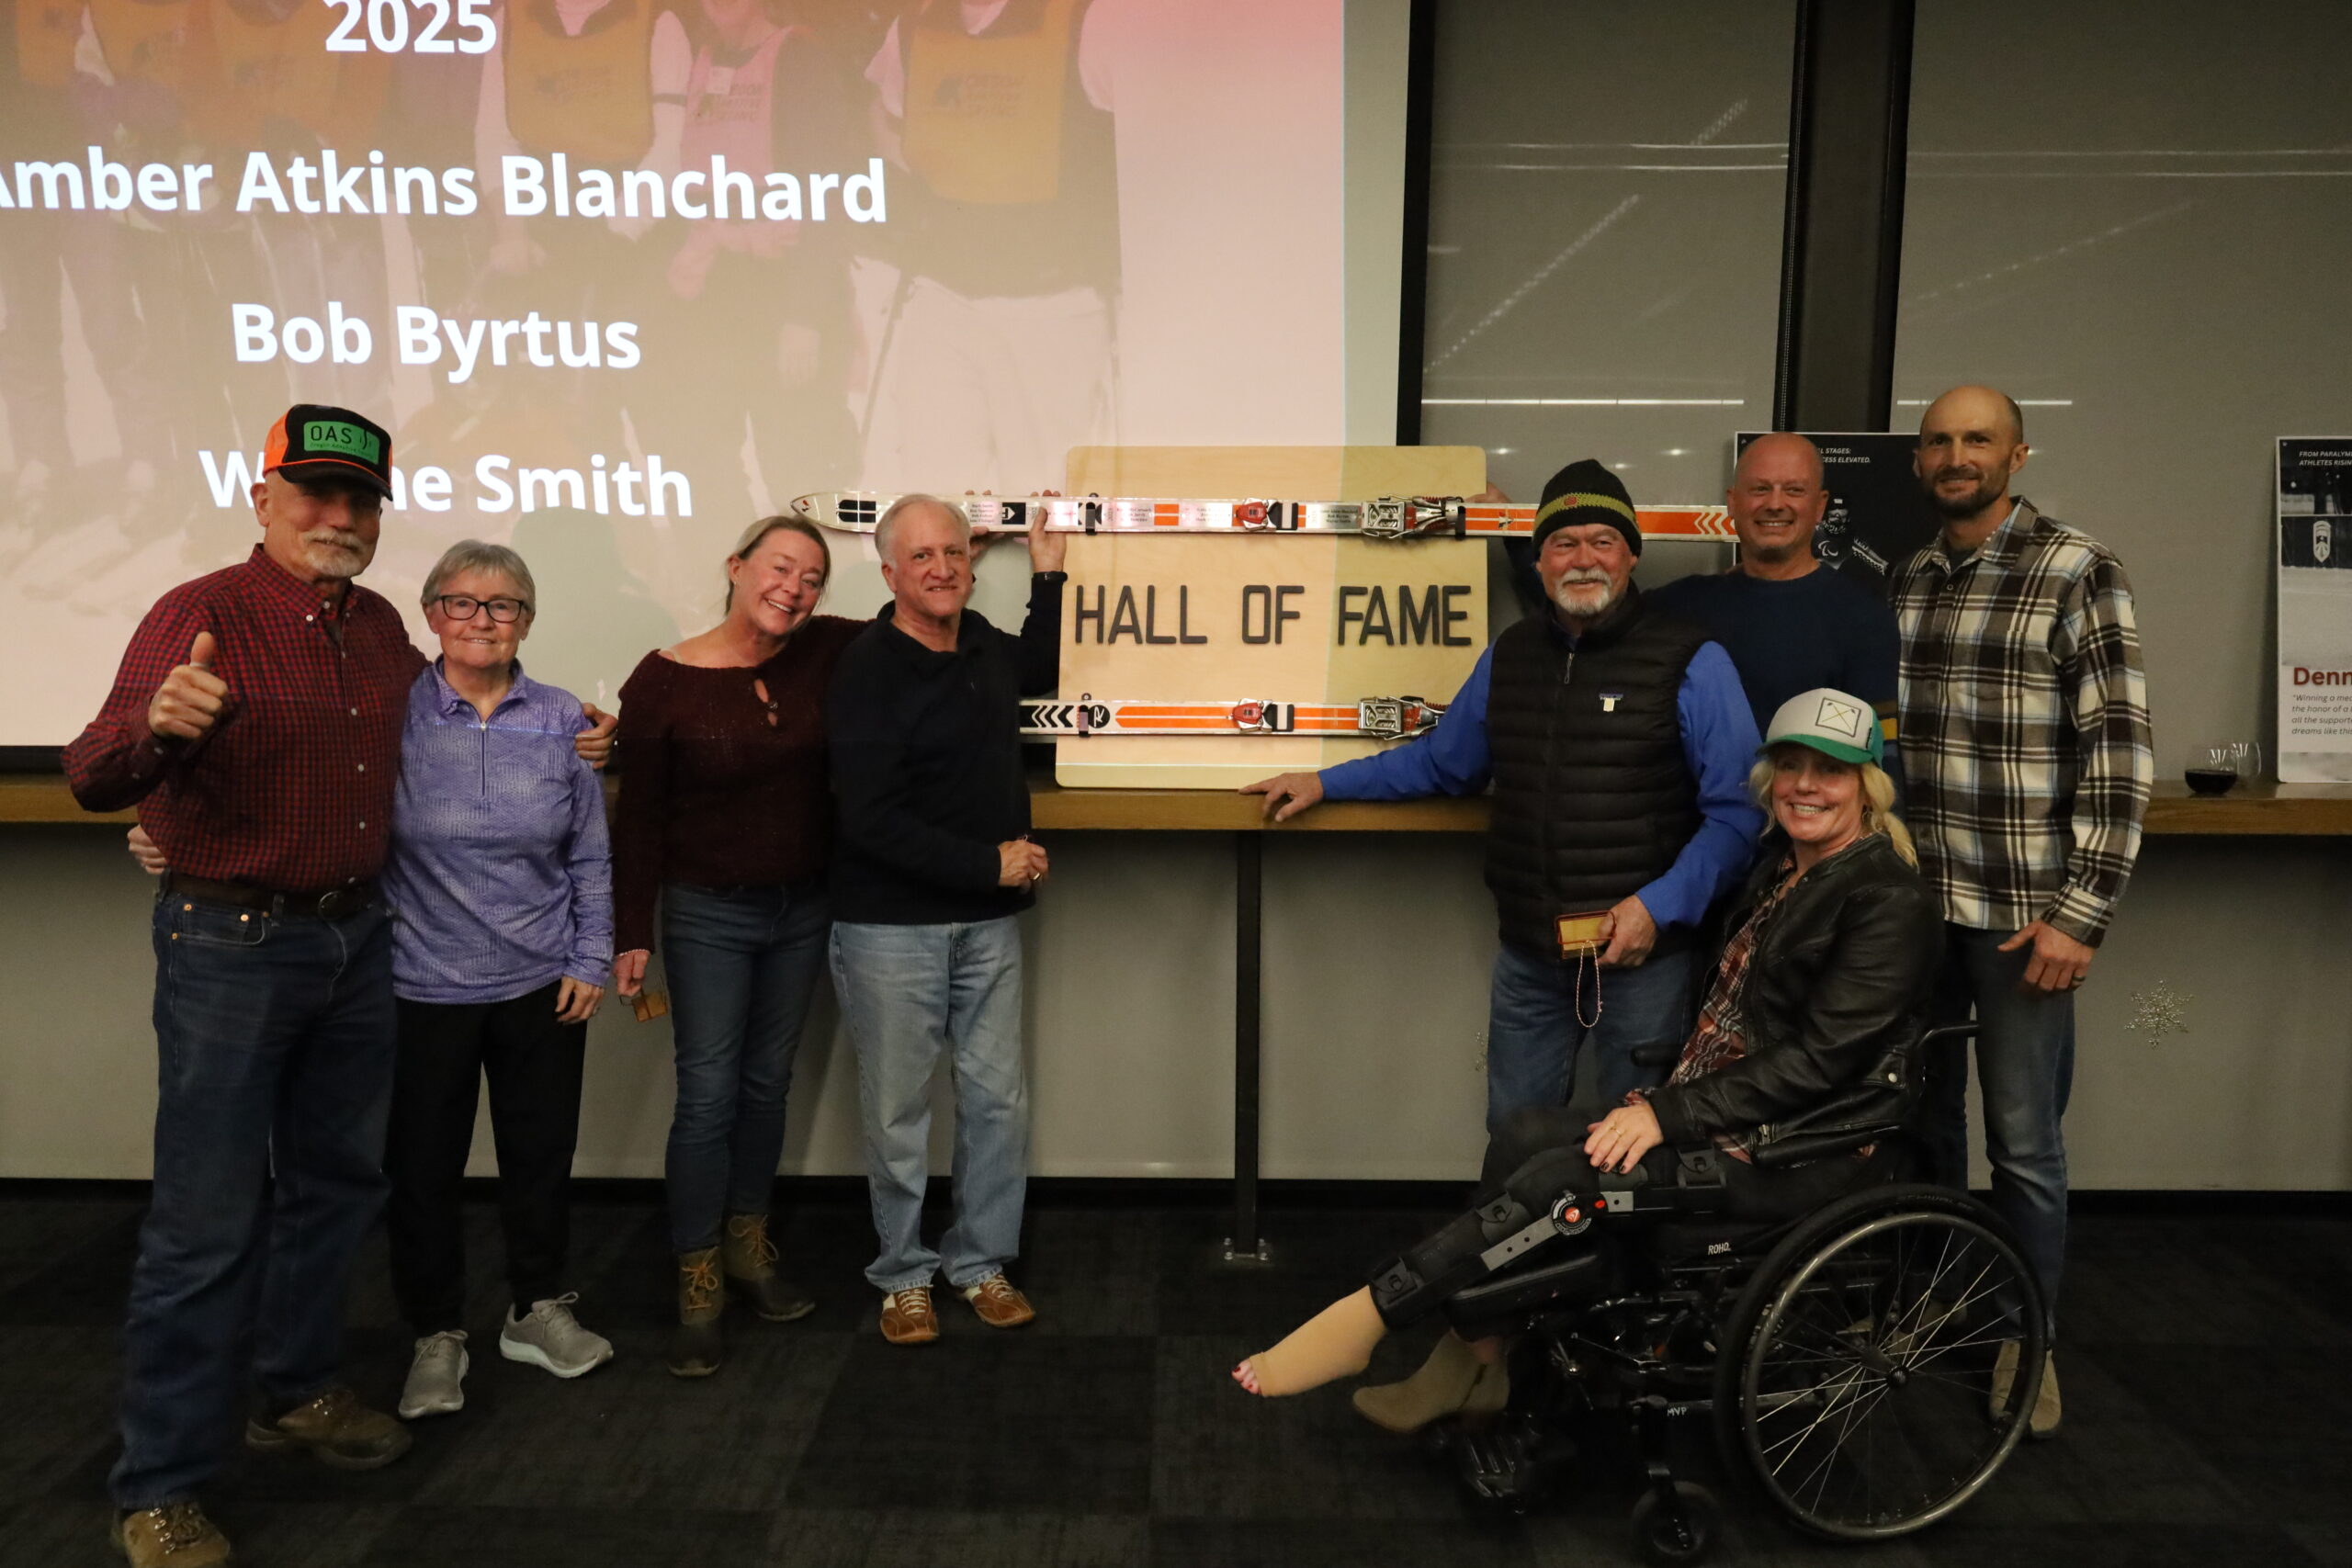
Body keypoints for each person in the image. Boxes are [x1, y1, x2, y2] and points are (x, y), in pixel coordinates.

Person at [63, 405, 610, 1568]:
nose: (340, 516)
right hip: (232, 947)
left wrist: (581, 743)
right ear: (262, 498)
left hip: (361, 948)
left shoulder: (380, 639)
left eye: (361, 500)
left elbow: (472, 736)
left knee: (334, 1194)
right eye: (314, 493)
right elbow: (91, 773)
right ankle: (158, 1485)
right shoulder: (199, 614)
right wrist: (156, 743)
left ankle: (299, 1389)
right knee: (206, 1224)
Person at [1231, 688, 1940, 1422]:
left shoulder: (1886, 900)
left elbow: (1819, 1063)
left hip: (1798, 1149)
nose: (1805, 785)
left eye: (1830, 771)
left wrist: (1667, 1114)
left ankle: (1370, 1316)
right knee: (1525, 1135)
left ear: (1868, 786)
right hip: (1726, 1116)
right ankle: (1474, 1357)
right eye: (1791, 766)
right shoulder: (1780, 871)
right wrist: (1673, 1108)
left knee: (1561, 1179)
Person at [1244, 459, 1765, 1133]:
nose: (1583, 559)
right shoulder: (1508, 655)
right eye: (1563, 543)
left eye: (1602, 541)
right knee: (1513, 1137)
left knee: (1641, 1150)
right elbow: (1442, 764)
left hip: (1642, 960)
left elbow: (1740, 812)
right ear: (1540, 561)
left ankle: (1620, 1247)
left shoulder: (1694, 660)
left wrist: (1655, 911)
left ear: (1631, 554)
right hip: (1532, 960)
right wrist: (1323, 782)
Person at [1892, 385, 2153, 1439]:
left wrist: (2079, 915)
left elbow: (2120, 756)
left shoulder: (2077, 569)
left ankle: (2025, 1340)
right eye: (1940, 442)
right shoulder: (1910, 578)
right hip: (1918, 914)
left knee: (2024, 1145)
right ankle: (1942, 1302)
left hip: (2019, 920)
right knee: (1919, 1127)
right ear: (1919, 461)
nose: (1958, 457)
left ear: (2017, 452)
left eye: (1978, 440)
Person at [610, 515, 866, 1377]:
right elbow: (637, 819)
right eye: (780, 568)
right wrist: (629, 932)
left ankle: (751, 1247)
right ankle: (698, 1278)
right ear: (735, 565)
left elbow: (917, 622)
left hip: (803, 908)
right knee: (710, 1094)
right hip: (706, 913)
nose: (794, 588)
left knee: (767, 1084)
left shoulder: (824, 650)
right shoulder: (664, 677)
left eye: (812, 577)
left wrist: (955, 556)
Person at [384, 542, 616, 1419]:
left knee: (538, 1161)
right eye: (463, 602)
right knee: (421, 1172)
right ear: (432, 613)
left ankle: (535, 1307)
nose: (483, 619)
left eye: (504, 604)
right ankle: (436, 1334)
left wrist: (591, 956)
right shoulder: (394, 713)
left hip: (541, 984)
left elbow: (589, 855)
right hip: (420, 986)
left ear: (528, 619)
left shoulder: (563, 720)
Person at [825, 495, 1066, 1344]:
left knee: (998, 1099)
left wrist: (1048, 569)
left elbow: (1044, 662)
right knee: (897, 1110)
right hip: (890, 928)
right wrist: (986, 862)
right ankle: (903, 1275)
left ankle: (981, 1264)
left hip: (986, 924)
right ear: (889, 573)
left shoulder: (984, 650)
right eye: (921, 556)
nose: (941, 568)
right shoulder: (866, 667)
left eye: (954, 552)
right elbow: (870, 819)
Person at [1650, 434, 1905, 798]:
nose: (1775, 503)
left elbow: (1880, 765)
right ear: (1732, 503)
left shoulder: (1863, 619)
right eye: (1760, 489)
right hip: (1691, 839)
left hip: (1802, 840)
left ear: (1820, 507)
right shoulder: (1677, 606)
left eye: (1794, 490)